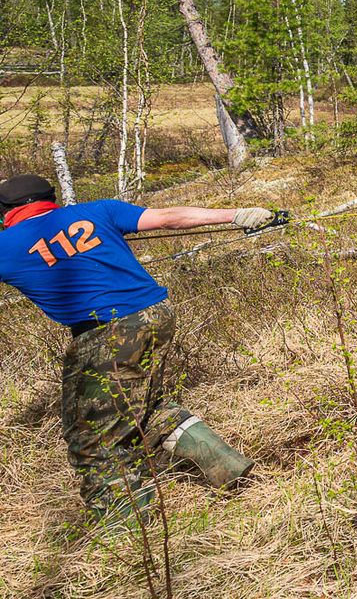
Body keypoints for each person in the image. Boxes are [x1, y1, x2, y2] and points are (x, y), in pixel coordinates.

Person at [0, 173, 271, 524]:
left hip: (105, 335)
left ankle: (126, 527)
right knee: (139, 405)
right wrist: (237, 214)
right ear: (50, 198)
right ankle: (226, 466)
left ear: (7, 211)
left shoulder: (5, 246)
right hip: (156, 315)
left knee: (93, 434)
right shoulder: (99, 210)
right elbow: (171, 217)